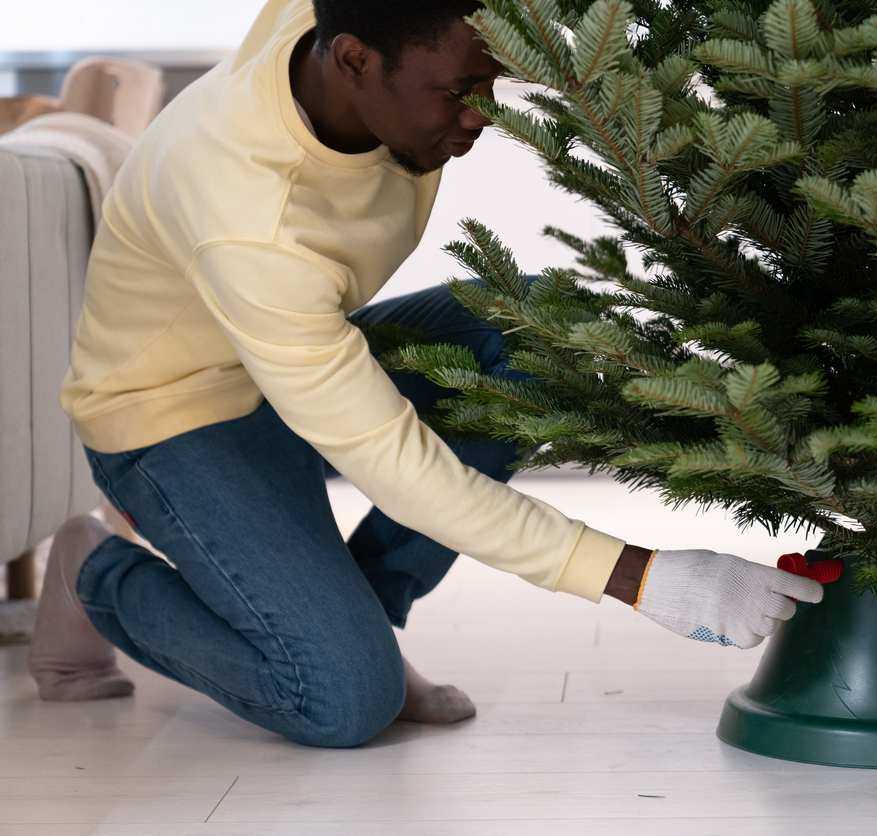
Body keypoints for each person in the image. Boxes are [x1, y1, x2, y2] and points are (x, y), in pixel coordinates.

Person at [29, 0, 824, 749]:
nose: (483, 115)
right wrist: (644, 579)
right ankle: (93, 572)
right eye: (455, 93)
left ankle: (361, 617)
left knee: (544, 328)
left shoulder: (346, 25)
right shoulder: (253, 221)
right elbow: (398, 467)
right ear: (354, 61)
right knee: (340, 702)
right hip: (173, 417)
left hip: (295, 356)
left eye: (490, 83)